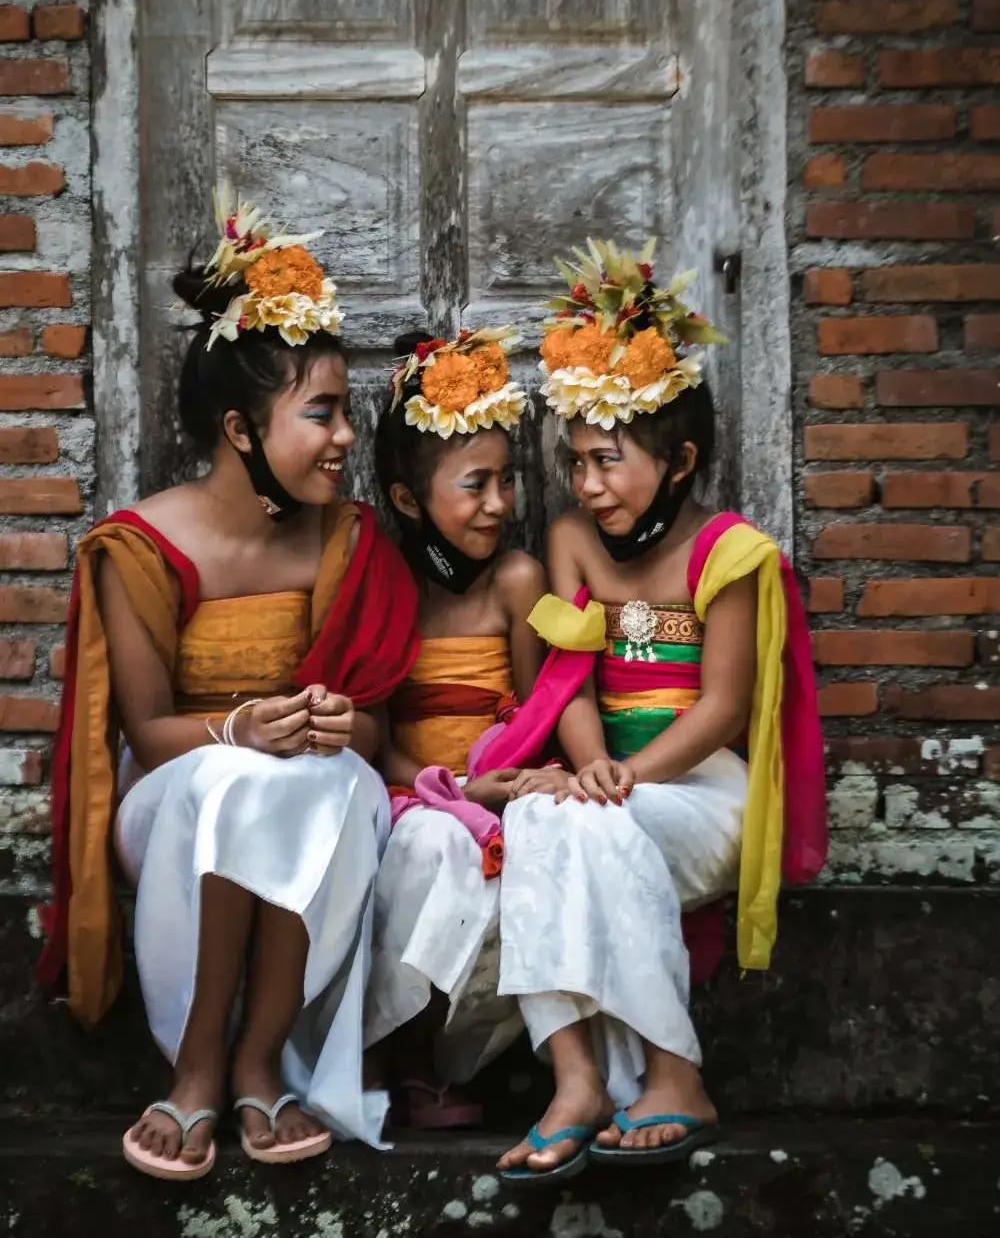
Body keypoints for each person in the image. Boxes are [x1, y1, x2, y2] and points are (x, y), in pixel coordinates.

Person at [37, 186, 419, 1180]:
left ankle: (257, 1056)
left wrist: (341, 721)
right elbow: (149, 729)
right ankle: (199, 1060)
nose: (345, 438)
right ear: (243, 430)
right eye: (321, 414)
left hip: (309, 789)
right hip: (175, 794)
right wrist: (242, 725)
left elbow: (374, 733)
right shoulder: (139, 545)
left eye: (345, 413)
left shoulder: (349, 541)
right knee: (238, 779)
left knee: (309, 779)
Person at [489, 240, 826, 1181]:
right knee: (541, 814)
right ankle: (577, 1079)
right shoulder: (571, 540)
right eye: (577, 460)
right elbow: (571, 682)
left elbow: (721, 710)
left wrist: (629, 775)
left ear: (678, 460)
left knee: (604, 825)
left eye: (608, 460)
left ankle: (678, 1073)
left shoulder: (730, 552)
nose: (588, 483)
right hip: (621, 777)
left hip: (704, 787)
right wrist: (592, 764)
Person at [363, 329, 546, 1127]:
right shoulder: (387, 580)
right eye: (475, 484)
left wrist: (507, 785)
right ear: (408, 500)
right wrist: (449, 792)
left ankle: (466, 1056)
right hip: (412, 797)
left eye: (507, 480)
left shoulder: (517, 579)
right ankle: (405, 1054)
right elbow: (377, 728)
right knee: (432, 849)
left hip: (501, 793)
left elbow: (540, 708)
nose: (499, 503)